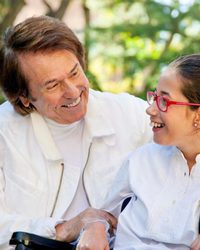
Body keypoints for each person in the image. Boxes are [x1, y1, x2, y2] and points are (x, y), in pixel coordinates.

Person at [0, 15, 153, 249]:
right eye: (52, 85)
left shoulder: (127, 113)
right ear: (24, 98)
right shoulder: (4, 131)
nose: (72, 92)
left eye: (74, 73)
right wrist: (65, 227)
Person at [86, 54, 200, 249]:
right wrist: (95, 225)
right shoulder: (141, 159)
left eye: (164, 101)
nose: (151, 109)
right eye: (154, 97)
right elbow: (106, 216)